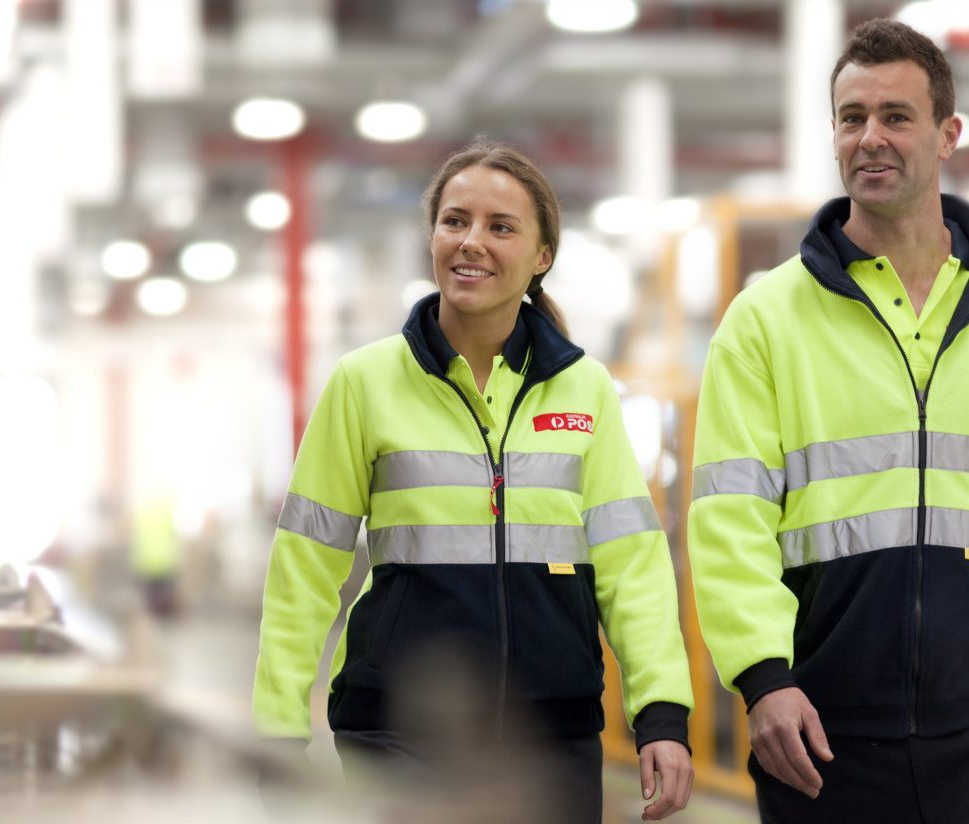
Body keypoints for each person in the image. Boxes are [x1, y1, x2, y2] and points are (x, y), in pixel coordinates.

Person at [688, 18, 969, 824]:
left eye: (896, 116)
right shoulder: (764, 320)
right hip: (823, 730)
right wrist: (762, 677)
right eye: (852, 118)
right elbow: (729, 520)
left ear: (948, 134)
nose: (871, 138)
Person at [253, 136, 694, 822]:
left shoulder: (585, 390)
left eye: (500, 226)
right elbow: (305, 564)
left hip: (553, 735)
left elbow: (631, 564)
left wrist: (661, 713)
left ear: (542, 256)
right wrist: (280, 724)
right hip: (398, 731)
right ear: (431, 236)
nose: (471, 242)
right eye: (455, 221)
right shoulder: (364, 384)